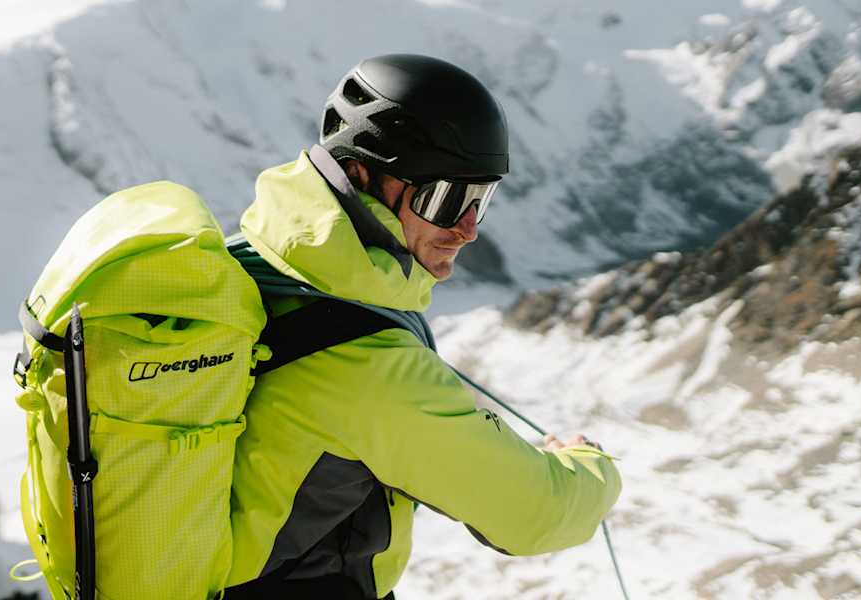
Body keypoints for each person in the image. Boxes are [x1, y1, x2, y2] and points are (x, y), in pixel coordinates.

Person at [223, 54, 622, 599]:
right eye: (445, 198)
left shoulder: (250, 265)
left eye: (481, 199)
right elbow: (537, 512)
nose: (468, 229)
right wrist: (588, 461)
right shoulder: (369, 366)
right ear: (359, 173)